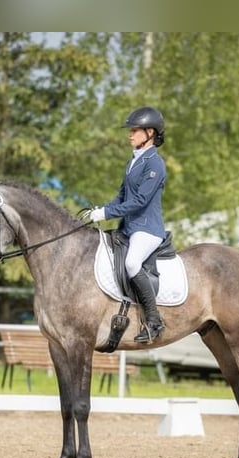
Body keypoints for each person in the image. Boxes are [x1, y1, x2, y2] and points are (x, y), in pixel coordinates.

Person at [85, 106, 168, 344]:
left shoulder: (155, 164)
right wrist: (101, 210)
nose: (130, 134)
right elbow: (122, 197)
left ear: (150, 132)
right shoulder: (133, 161)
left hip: (147, 229)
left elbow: (140, 201)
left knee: (132, 263)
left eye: (135, 130)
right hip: (128, 228)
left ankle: (154, 320)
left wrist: (107, 213)